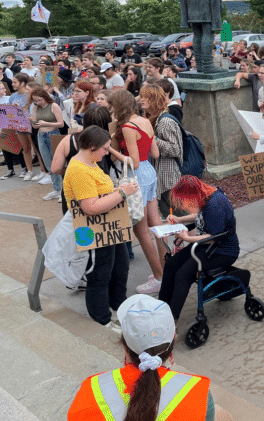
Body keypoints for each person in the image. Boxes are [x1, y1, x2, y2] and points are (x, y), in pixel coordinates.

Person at [68, 293, 245, 421]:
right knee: (222, 416)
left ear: (124, 345)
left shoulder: (91, 389)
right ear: (174, 339)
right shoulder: (198, 396)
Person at [62, 126, 139, 329]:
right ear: (92, 147)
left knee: (120, 266)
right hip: (95, 230)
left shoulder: (90, 162)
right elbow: (90, 208)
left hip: (110, 226)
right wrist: (122, 193)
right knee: (100, 273)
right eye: (105, 148)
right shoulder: (80, 170)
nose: (107, 152)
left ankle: (118, 304)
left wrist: (117, 190)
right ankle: (102, 318)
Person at [159, 175, 240, 319]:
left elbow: (212, 238)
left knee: (183, 275)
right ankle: (162, 306)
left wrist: (187, 238)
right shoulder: (207, 194)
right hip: (207, 247)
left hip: (222, 251)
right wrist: (180, 219)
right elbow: (201, 216)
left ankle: (171, 319)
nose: (184, 204)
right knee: (171, 263)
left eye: (185, 200)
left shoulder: (215, 204)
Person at [109, 90, 165, 295]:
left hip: (136, 175)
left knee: (140, 229)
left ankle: (159, 277)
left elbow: (132, 161)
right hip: (149, 172)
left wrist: (111, 148)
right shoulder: (145, 120)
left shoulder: (126, 127)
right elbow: (155, 153)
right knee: (156, 223)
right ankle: (165, 269)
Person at [141, 84, 184, 219]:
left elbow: (175, 149)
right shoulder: (154, 119)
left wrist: (154, 140)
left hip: (170, 177)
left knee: (179, 214)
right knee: (171, 215)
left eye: (146, 97)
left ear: (155, 100)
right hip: (162, 176)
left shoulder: (165, 121)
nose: (141, 100)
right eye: (141, 96)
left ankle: (194, 238)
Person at [30, 88, 65, 201]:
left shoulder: (53, 106)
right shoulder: (36, 107)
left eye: (39, 100)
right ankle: (56, 189)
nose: (38, 103)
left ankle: (63, 190)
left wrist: (46, 123)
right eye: (35, 101)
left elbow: (61, 123)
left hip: (53, 134)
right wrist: (35, 124)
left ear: (45, 97)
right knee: (48, 164)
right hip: (41, 135)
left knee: (58, 164)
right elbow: (35, 120)